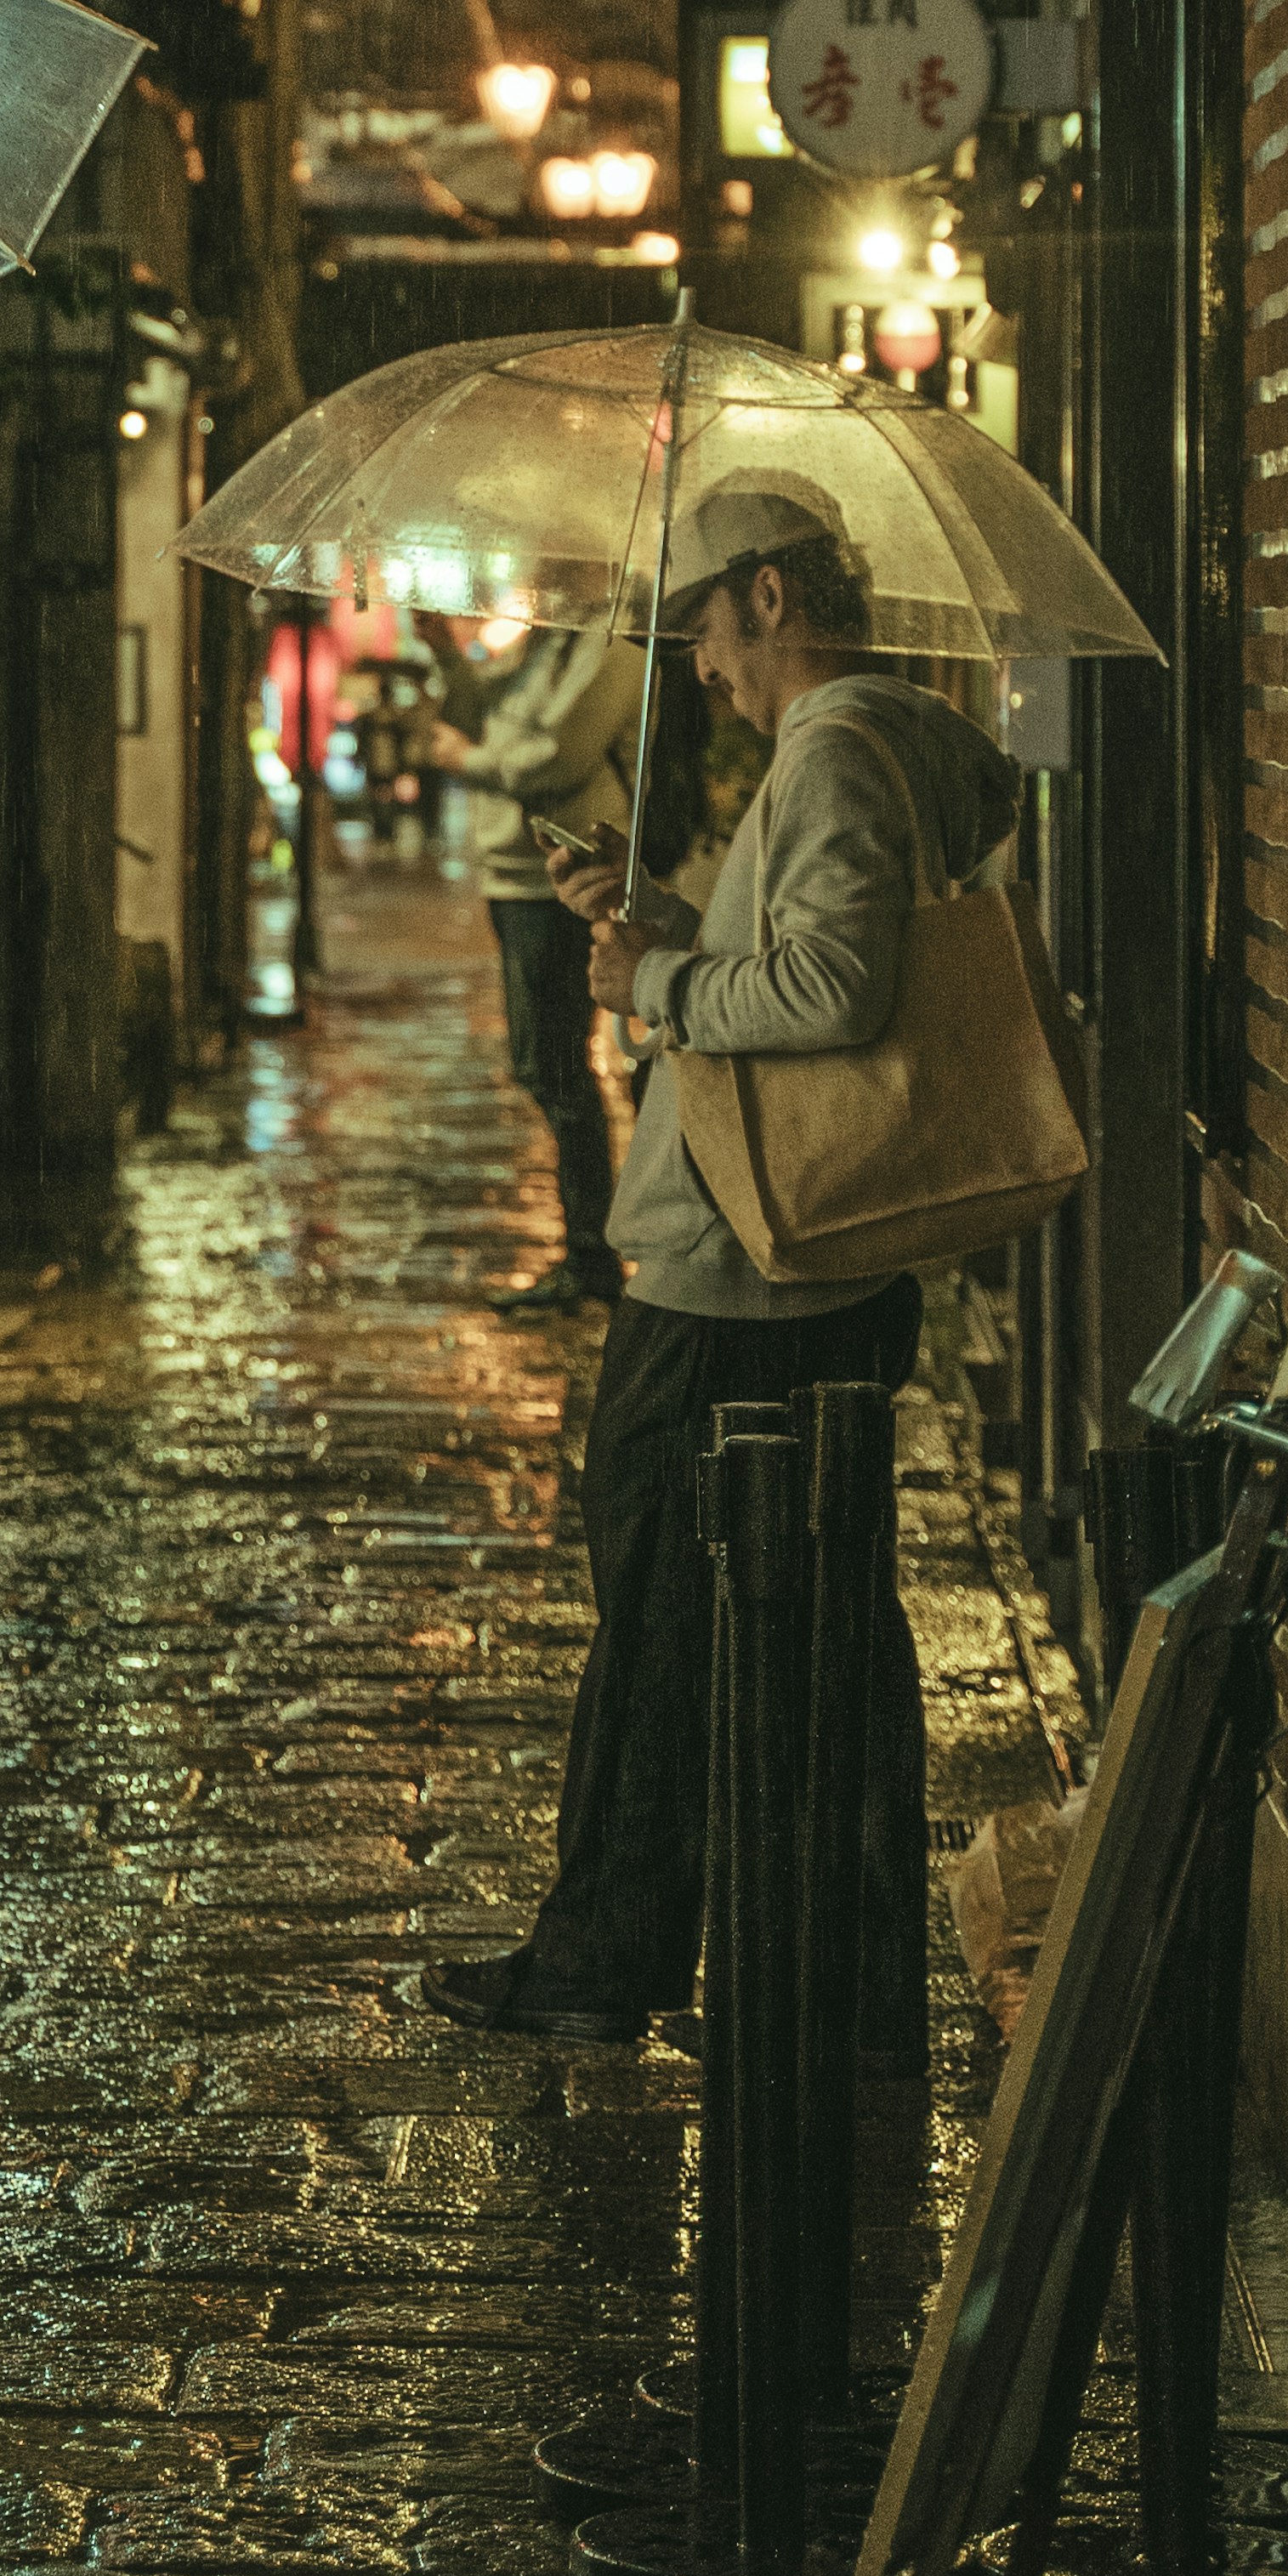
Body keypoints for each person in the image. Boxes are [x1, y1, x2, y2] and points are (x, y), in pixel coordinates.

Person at [422, 482, 1019, 2051]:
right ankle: (835, 1970)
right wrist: (674, 917)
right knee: (815, 1620)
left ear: (768, 594)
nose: (695, 663)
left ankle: (608, 1957)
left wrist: (656, 976)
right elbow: (815, 951)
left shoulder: (829, 748)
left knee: (662, 1602)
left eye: (698, 622)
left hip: (738, 1265)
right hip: (799, 1261)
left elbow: (829, 980)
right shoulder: (872, 742)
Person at [435, 615, 647, 1313]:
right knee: (540, 1062)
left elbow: (555, 757)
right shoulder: (539, 642)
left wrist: (468, 759)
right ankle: (587, 1248)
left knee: (554, 1064)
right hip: (514, 877)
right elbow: (482, 714)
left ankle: (592, 1253)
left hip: (557, 881)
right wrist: (444, 648)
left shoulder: (608, 647)